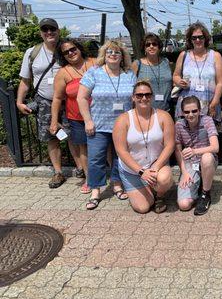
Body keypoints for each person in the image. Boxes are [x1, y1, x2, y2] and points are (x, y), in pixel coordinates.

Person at [77, 40, 137, 210]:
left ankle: (117, 185)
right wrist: (88, 120)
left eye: (117, 52)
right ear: (104, 54)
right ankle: (95, 191)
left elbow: (135, 98)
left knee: (120, 158)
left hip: (123, 125)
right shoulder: (94, 72)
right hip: (99, 125)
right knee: (96, 158)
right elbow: (81, 97)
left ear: (122, 56)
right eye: (110, 51)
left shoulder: (129, 74)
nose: (113, 55)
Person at [16, 18, 64, 189]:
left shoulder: (66, 49)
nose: (49, 32)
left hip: (68, 101)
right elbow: (25, 80)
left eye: (52, 29)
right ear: (41, 33)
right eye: (45, 29)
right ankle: (58, 172)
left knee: (75, 136)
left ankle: (81, 168)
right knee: (51, 137)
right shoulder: (32, 52)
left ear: (58, 31)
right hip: (44, 101)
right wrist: (19, 101)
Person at [113, 81, 175, 214]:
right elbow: (121, 151)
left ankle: (160, 195)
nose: (144, 98)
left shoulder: (164, 116)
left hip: (155, 164)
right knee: (143, 208)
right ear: (133, 97)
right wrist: (142, 172)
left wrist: (155, 168)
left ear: (152, 96)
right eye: (139, 95)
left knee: (164, 179)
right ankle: (144, 188)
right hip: (132, 170)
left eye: (147, 94)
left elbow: (170, 145)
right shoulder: (122, 120)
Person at [49, 38, 96, 194]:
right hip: (77, 118)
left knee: (108, 147)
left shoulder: (95, 63)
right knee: (84, 148)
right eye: (66, 52)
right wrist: (54, 121)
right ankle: (90, 179)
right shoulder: (63, 73)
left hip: (99, 114)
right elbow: (57, 98)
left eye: (73, 49)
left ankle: (113, 178)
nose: (71, 53)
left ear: (79, 48)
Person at [175, 95, 219, 215]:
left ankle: (205, 194)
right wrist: (184, 172)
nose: (191, 115)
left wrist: (194, 151)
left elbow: (215, 147)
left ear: (199, 111)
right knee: (184, 205)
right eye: (187, 112)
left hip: (206, 161)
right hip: (190, 163)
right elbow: (178, 151)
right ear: (182, 112)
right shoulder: (179, 125)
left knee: (207, 157)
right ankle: (197, 186)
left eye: (194, 111)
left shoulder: (207, 121)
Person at [173, 22, 222, 121]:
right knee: (185, 135)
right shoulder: (183, 55)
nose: (197, 40)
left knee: (207, 134)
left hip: (209, 104)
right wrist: (179, 81)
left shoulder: (215, 56)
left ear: (205, 38)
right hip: (187, 107)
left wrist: (214, 103)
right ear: (190, 40)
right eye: (194, 38)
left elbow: (220, 83)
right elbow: (175, 75)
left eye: (200, 37)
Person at [132, 33, 173, 112]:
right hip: (144, 111)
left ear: (159, 47)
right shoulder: (137, 64)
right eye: (148, 45)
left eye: (154, 44)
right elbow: (132, 89)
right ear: (144, 48)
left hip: (166, 110)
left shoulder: (166, 62)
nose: (151, 46)